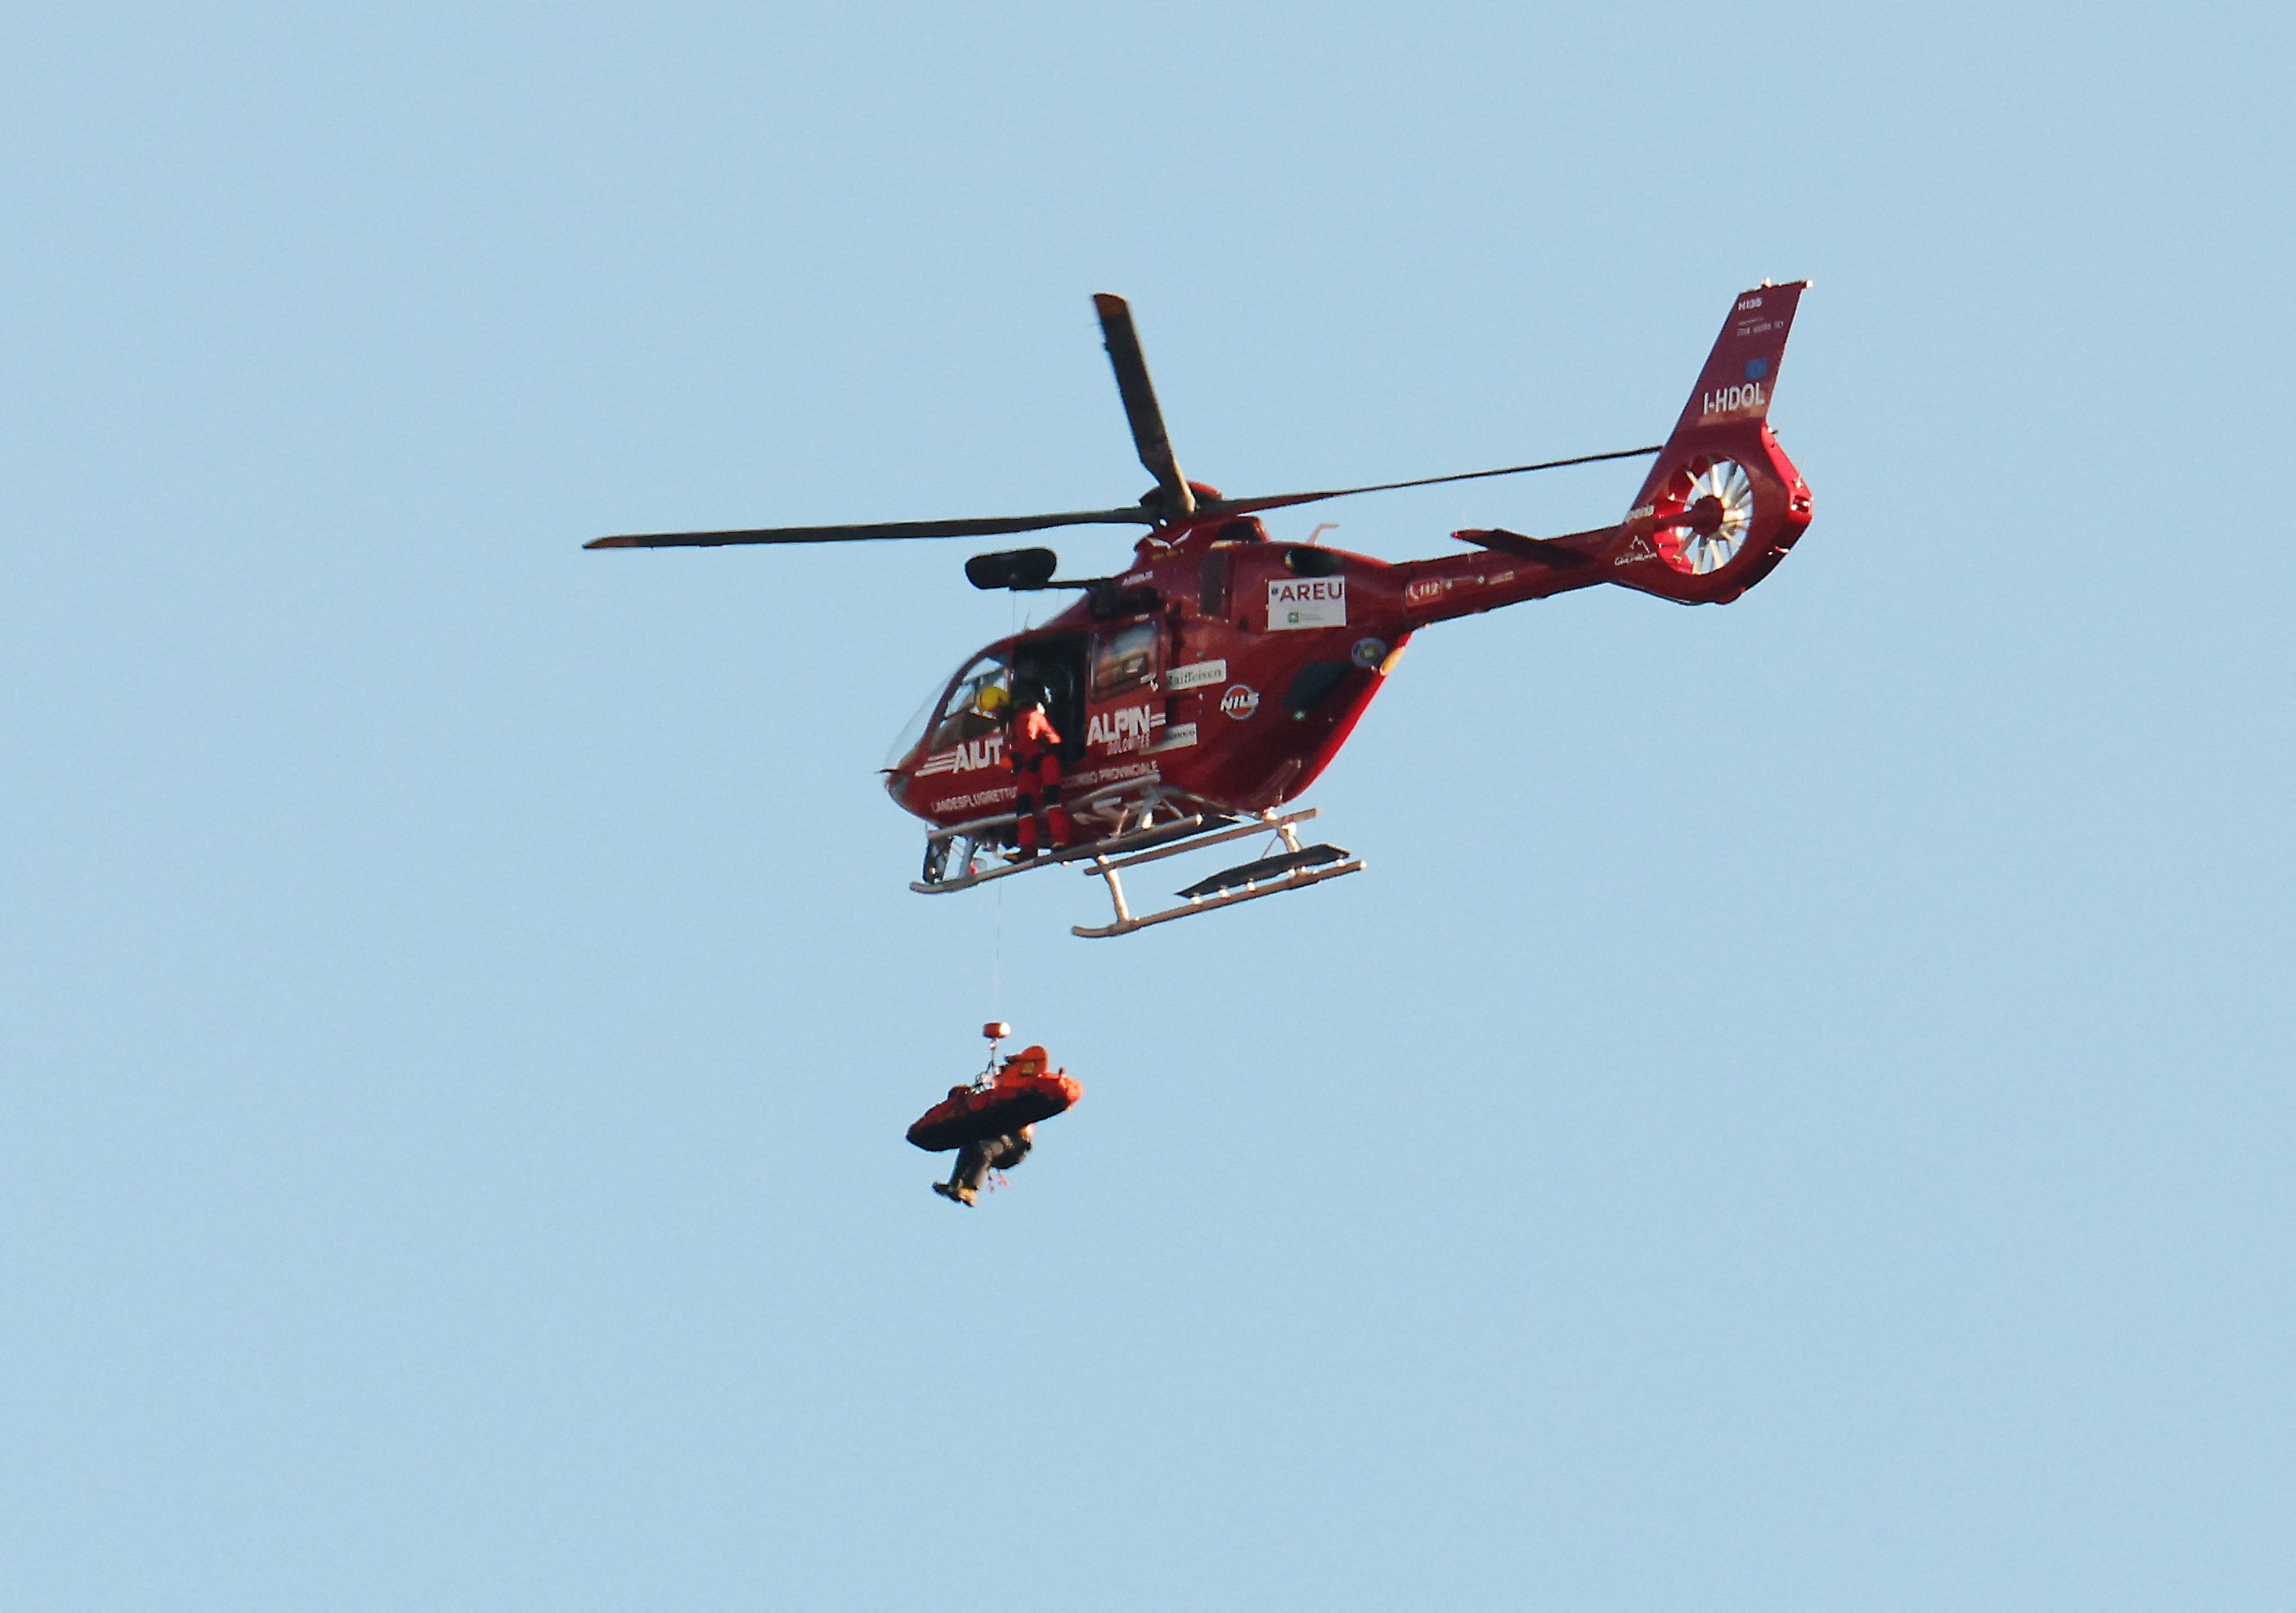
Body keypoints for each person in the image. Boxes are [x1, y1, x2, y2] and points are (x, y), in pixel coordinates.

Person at [1004, 682, 1072, 858]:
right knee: (1023, 804)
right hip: (1031, 764)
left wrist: (1015, 758)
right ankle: (1027, 847)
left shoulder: (1027, 716)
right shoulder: (1015, 722)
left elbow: (1027, 738)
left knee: (1052, 797)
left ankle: (1060, 839)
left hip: (1045, 759)